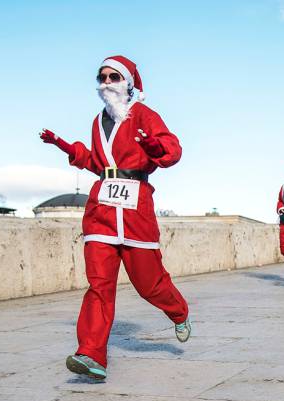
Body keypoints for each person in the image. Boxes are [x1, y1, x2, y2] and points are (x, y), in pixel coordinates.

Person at [40, 55, 190, 381]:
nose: (106, 83)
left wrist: (155, 145)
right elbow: (96, 161)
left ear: (128, 84)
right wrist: (64, 145)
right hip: (102, 212)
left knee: (149, 284)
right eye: (102, 77)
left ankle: (179, 312)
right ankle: (91, 354)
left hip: (136, 210)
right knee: (99, 286)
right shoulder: (98, 122)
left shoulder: (145, 116)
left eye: (113, 77)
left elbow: (172, 149)